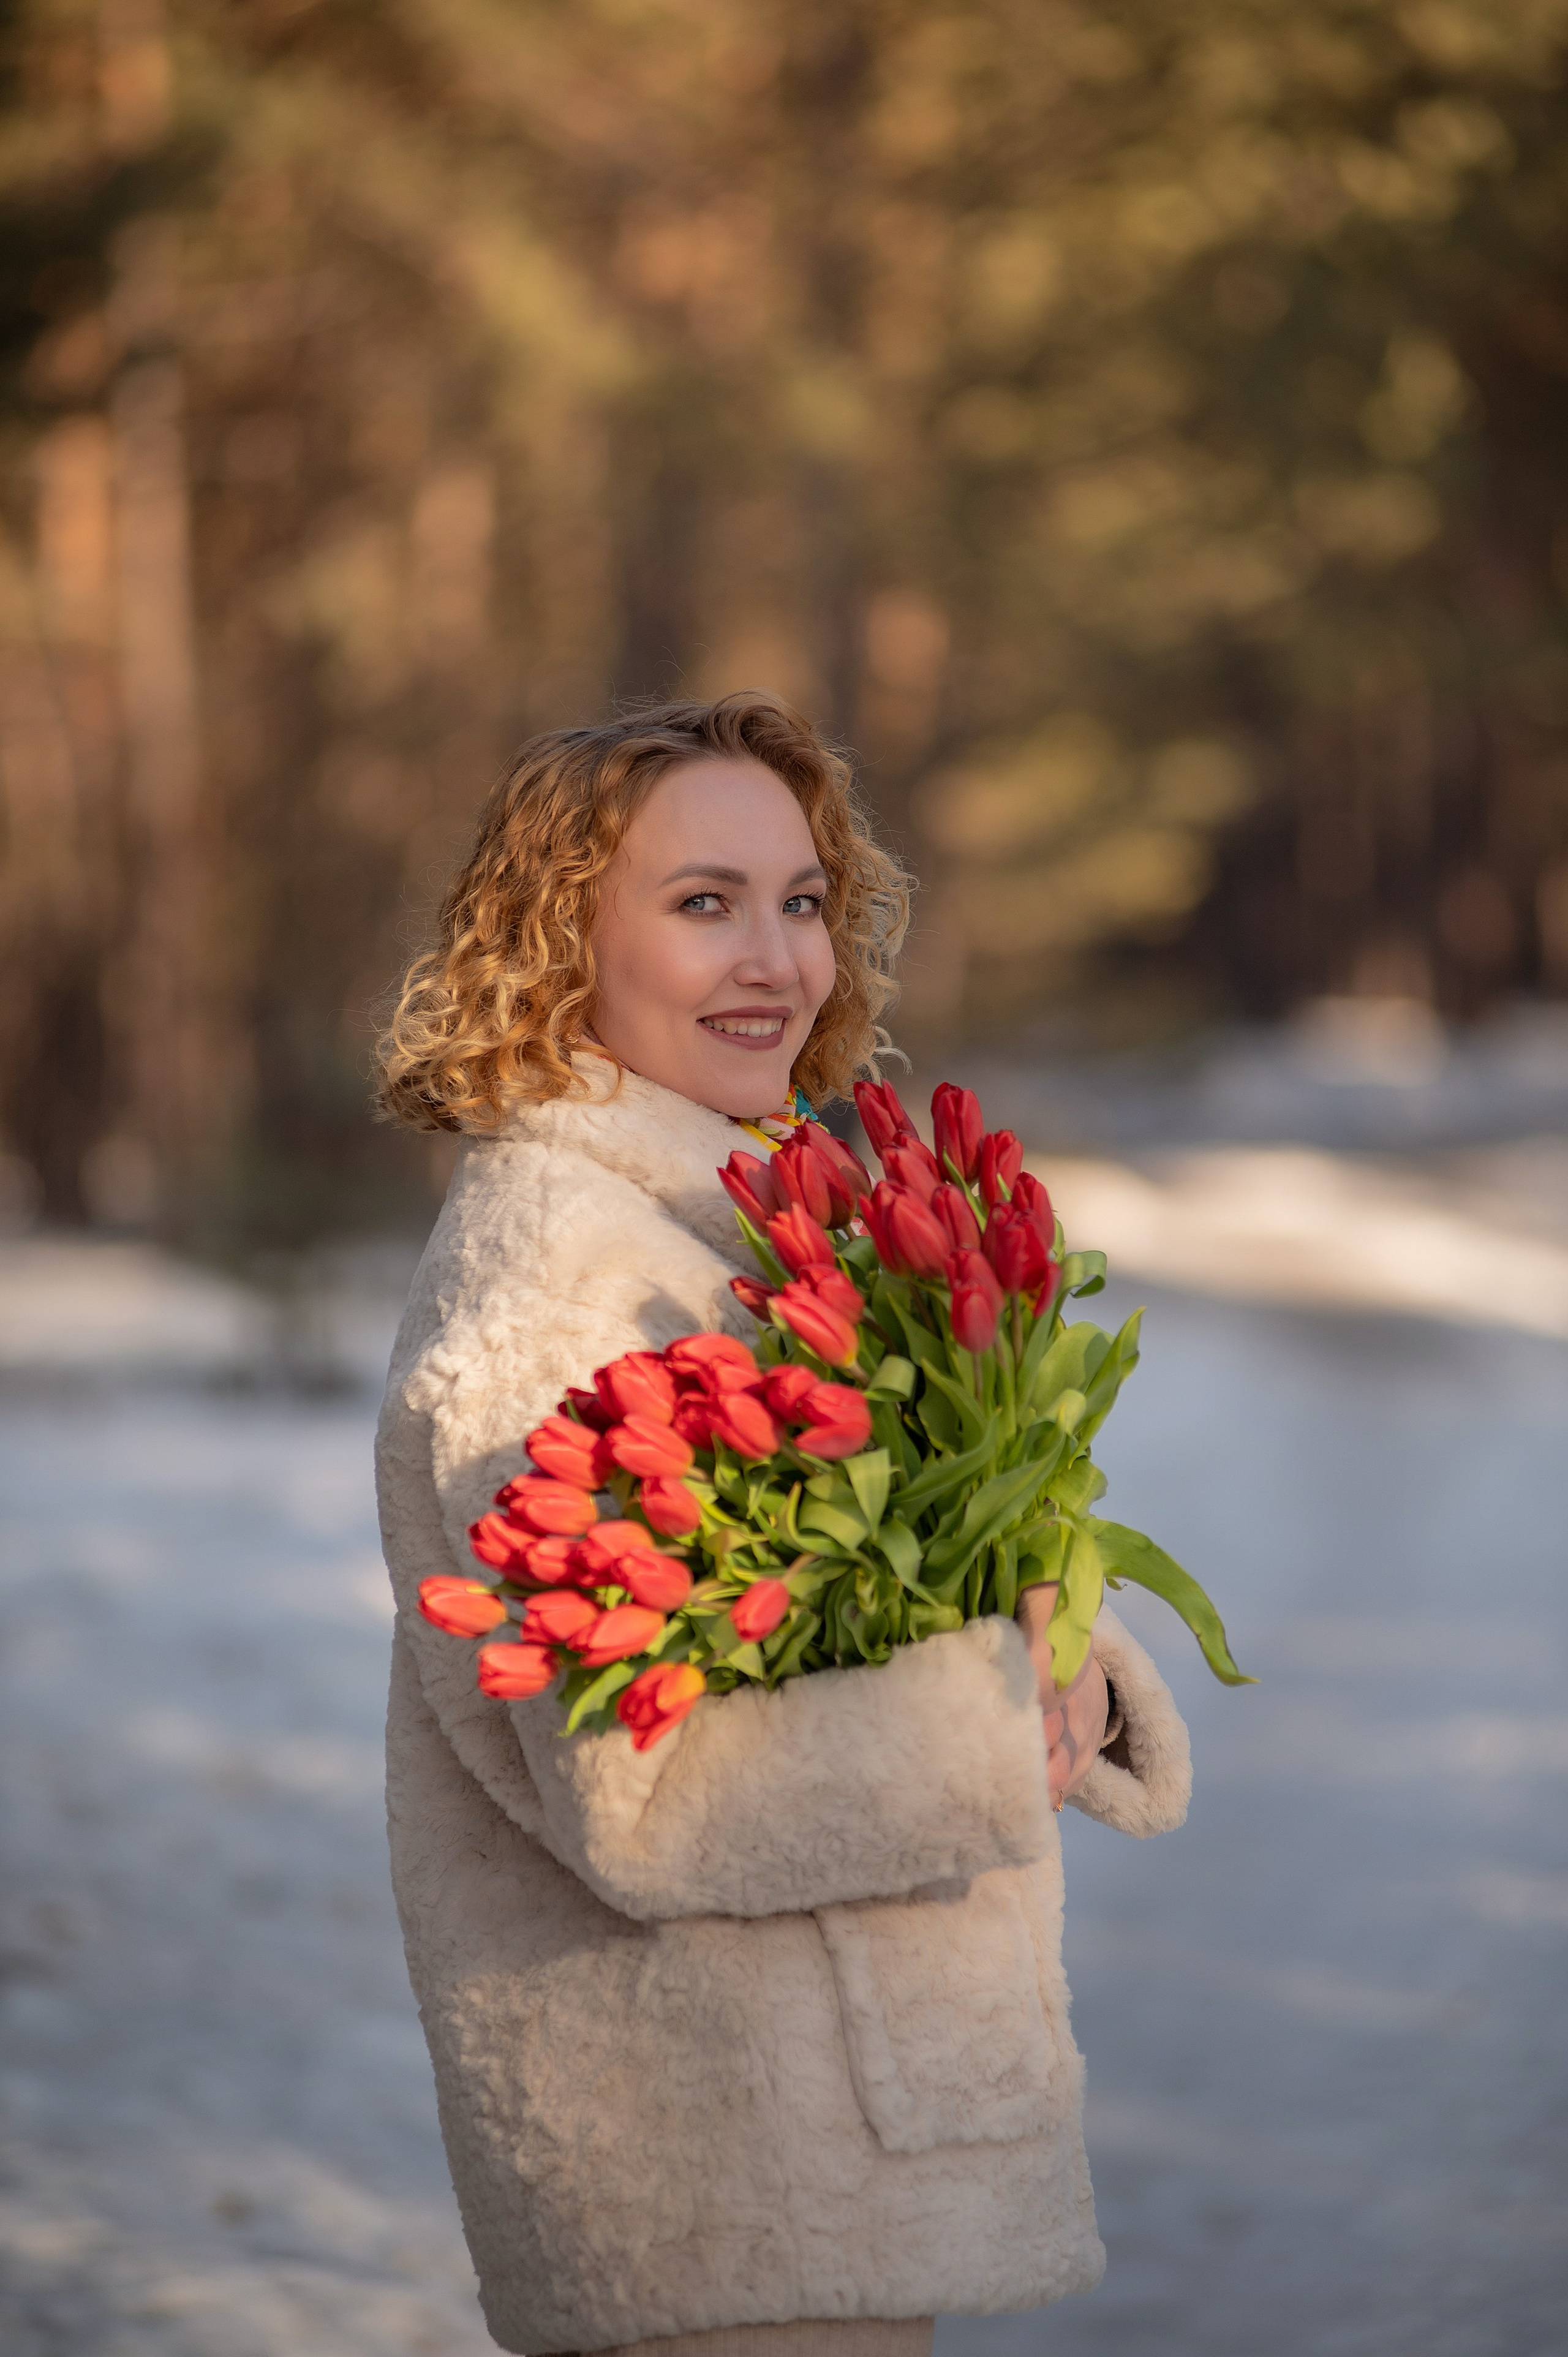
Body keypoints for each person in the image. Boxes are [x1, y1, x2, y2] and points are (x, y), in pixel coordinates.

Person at [374, 693, 1191, 2357]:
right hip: (710, 2194)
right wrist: (976, 1727)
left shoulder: (724, 1219)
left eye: (800, 900)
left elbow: (850, 1599)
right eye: (702, 903)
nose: (776, 959)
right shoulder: (554, 1285)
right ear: (555, 944)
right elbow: (643, 1796)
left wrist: (1057, 1666)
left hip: (809, 2165)